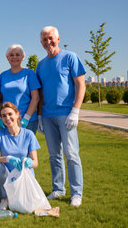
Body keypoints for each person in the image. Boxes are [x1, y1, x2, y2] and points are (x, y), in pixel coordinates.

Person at [36, 26, 86, 207]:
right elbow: (40, 93)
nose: (47, 42)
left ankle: (76, 193)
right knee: (54, 155)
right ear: (41, 43)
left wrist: (75, 111)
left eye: (50, 38)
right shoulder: (40, 65)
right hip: (48, 116)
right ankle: (58, 189)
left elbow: (81, 84)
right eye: (44, 40)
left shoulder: (70, 57)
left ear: (58, 38)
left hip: (66, 115)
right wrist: (40, 116)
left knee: (71, 154)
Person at [0, 102, 40, 210]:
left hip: (24, 175)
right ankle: (4, 199)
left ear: (17, 114)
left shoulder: (28, 134)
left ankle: (16, 197)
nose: (7, 118)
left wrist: (29, 162)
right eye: (3, 116)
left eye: (10, 114)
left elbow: (35, 163)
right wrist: (7, 158)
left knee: (26, 204)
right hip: (7, 176)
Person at [0, 44, 40, 134]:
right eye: (11, 55)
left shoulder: (29, 73)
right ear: (7, 57)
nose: (14, 57)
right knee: (7, 148)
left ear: (23, 57)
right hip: (7, 121)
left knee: (27, 148)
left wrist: (26, 118)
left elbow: (35, 98)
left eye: (17, 54)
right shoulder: (2, 76)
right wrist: (0, 117)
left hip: (27, 121)